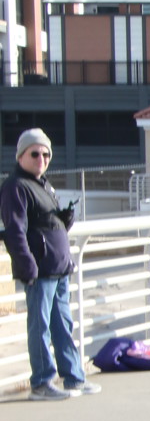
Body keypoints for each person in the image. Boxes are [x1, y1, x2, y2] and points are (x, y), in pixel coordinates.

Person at [0, 128, 101, 400]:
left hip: (59, 268)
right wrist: (27, 265)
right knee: (40, 327)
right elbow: (15, 231)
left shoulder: (43, 184)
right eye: (35, 154)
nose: (41, 159)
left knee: (62, 325)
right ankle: (42, 383)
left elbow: (44, 223)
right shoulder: (15, 187)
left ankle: (73, 377)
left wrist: (63, 220)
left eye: (46, 154)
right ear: (21, 156)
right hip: (39, 272)